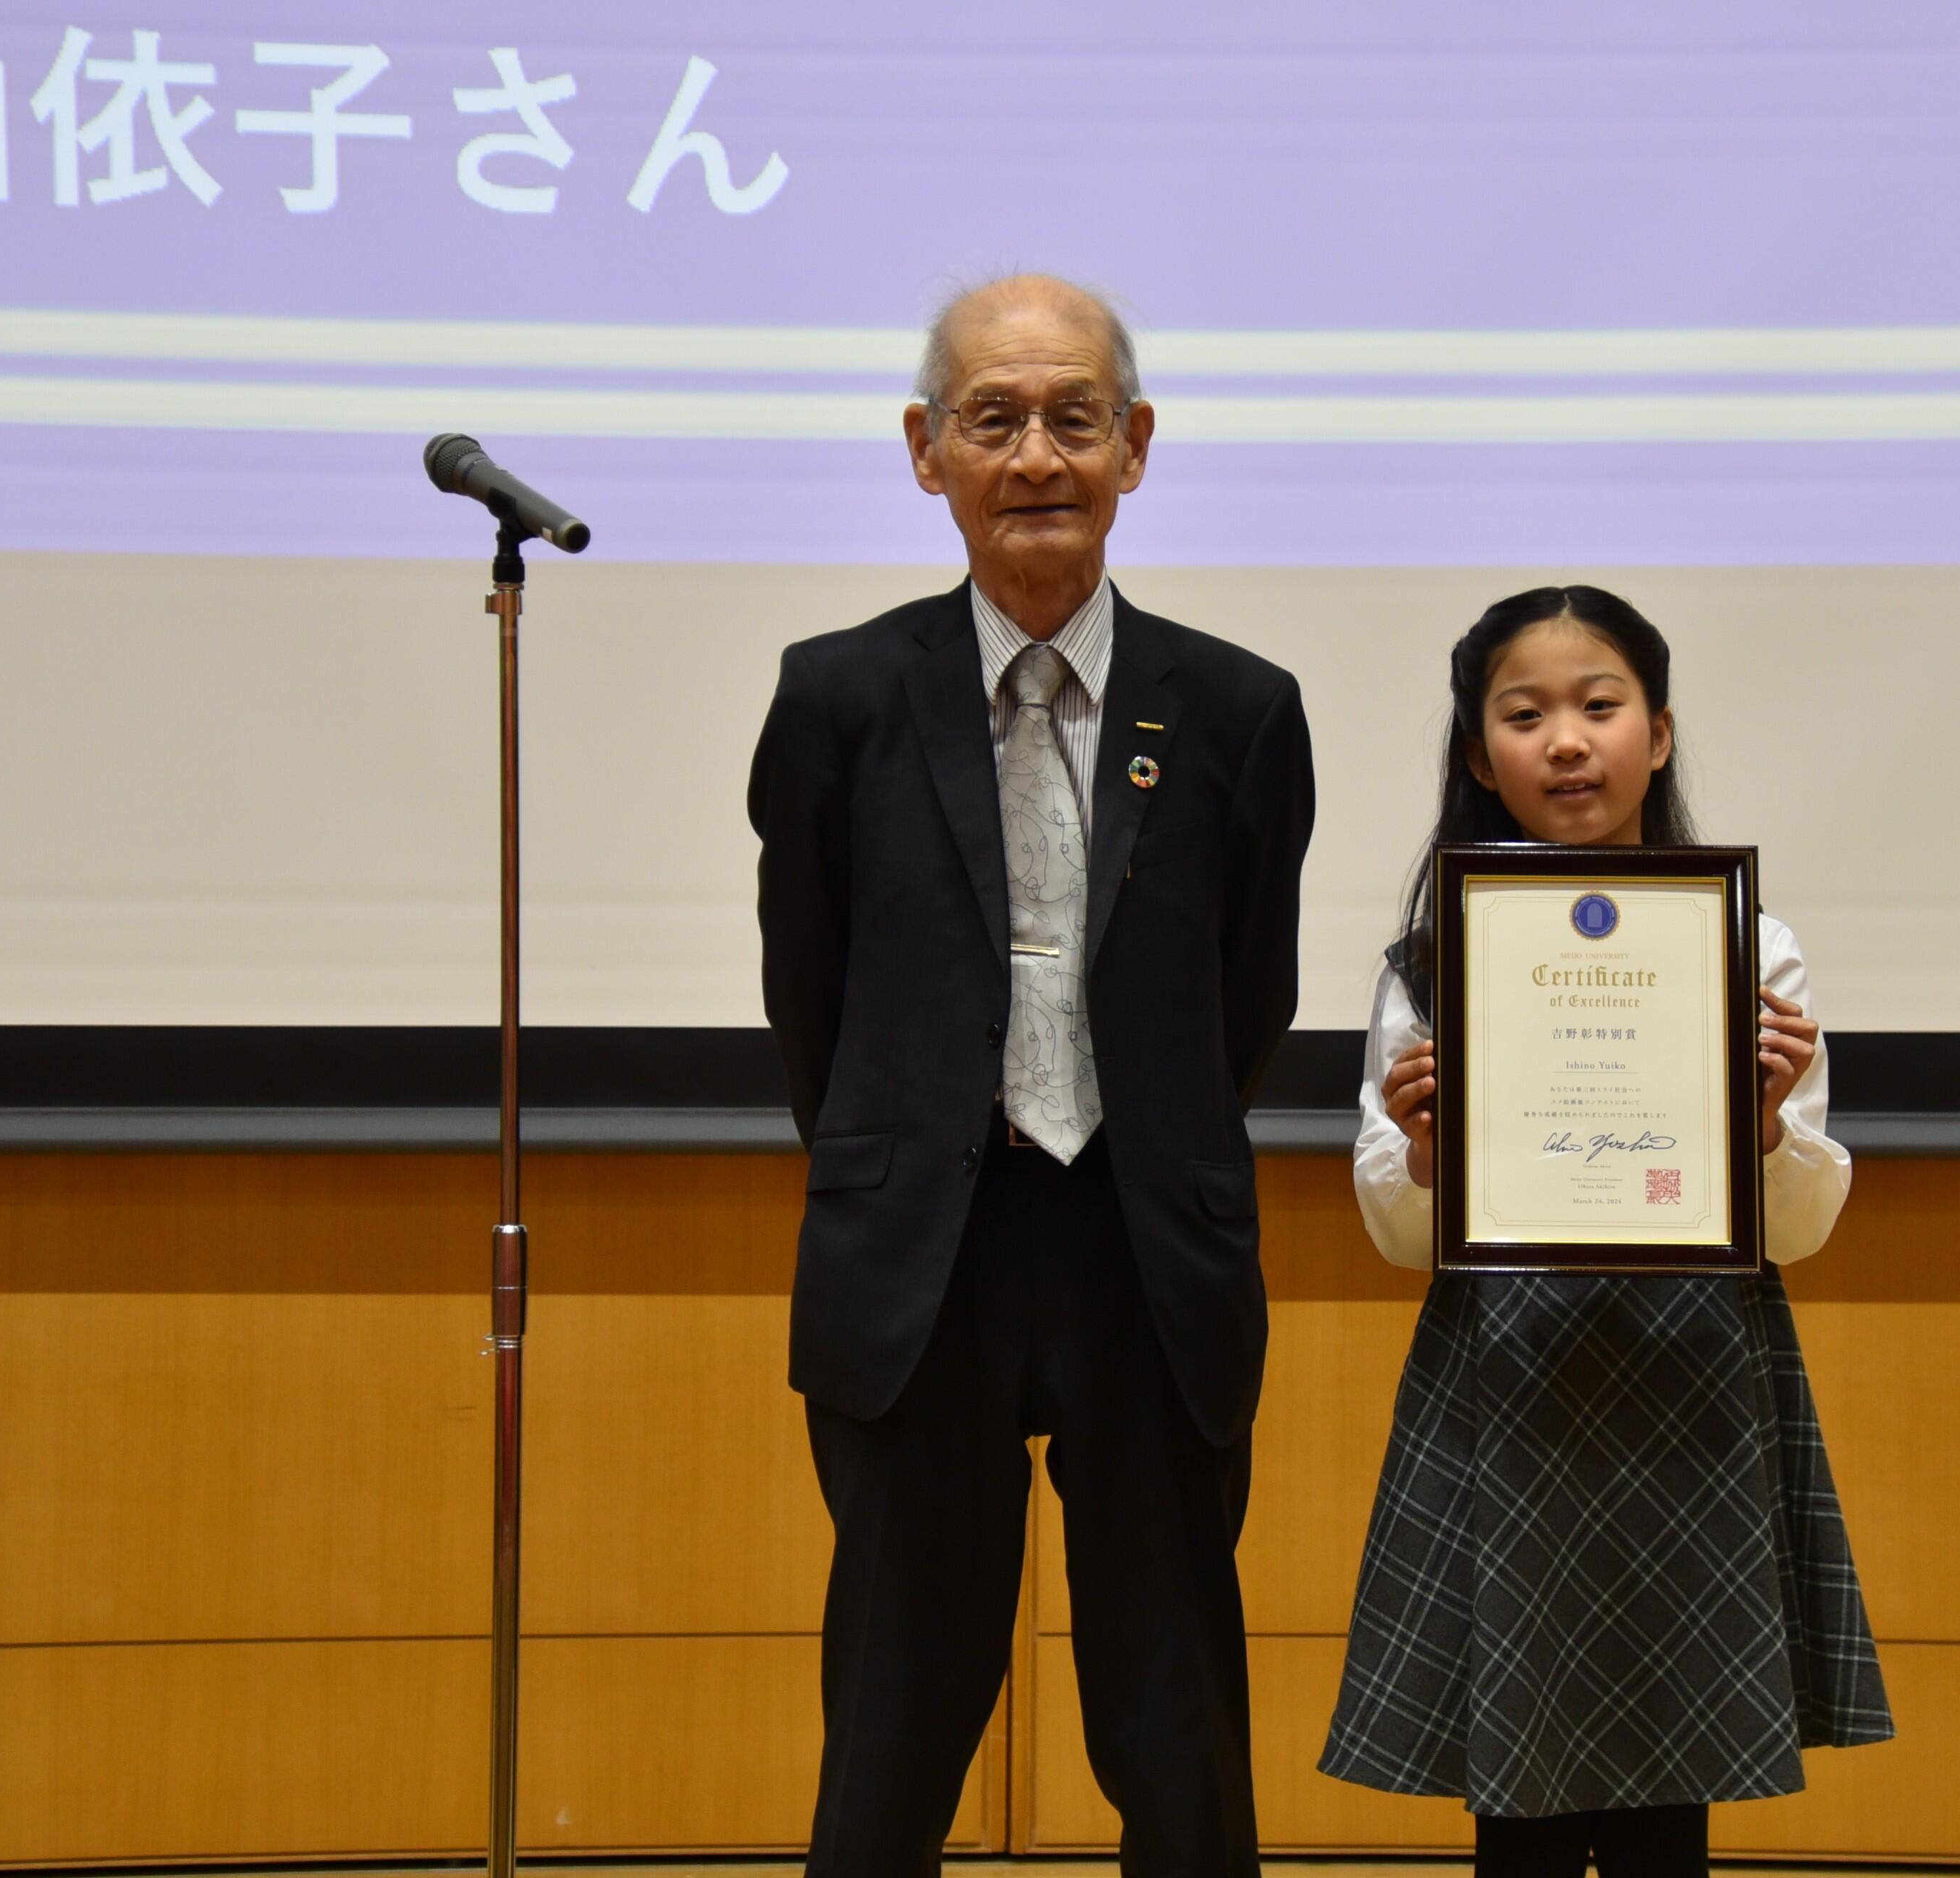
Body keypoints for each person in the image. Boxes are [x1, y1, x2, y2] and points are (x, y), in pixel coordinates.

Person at [748, 275, 1315, 1877]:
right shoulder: (839, 696)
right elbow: (817, 989)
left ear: (1137, 447)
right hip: (924, 1254)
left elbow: (1242, 996)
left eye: (1076, 418)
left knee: (1174, 1720)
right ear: (927, 452)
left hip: (1148, 1246)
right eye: (994, 420)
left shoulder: (1239, 708)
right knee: (896, 1714)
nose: (1039, 456)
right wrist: (920, 1147)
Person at [1317, 585, 1892, 1877]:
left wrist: (1757, 1129)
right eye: (1525, 716)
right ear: (1480, 755)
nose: (1567, 741)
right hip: (1506, 1386)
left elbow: (1796, 1231)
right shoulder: (1426, 966)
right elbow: (1399, 1235)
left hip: (1691, 1386)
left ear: (1662, 735)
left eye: (1600, 707)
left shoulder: (1752, 948)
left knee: (1667, 1795)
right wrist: (1422, 1153)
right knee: (1513, 1798)